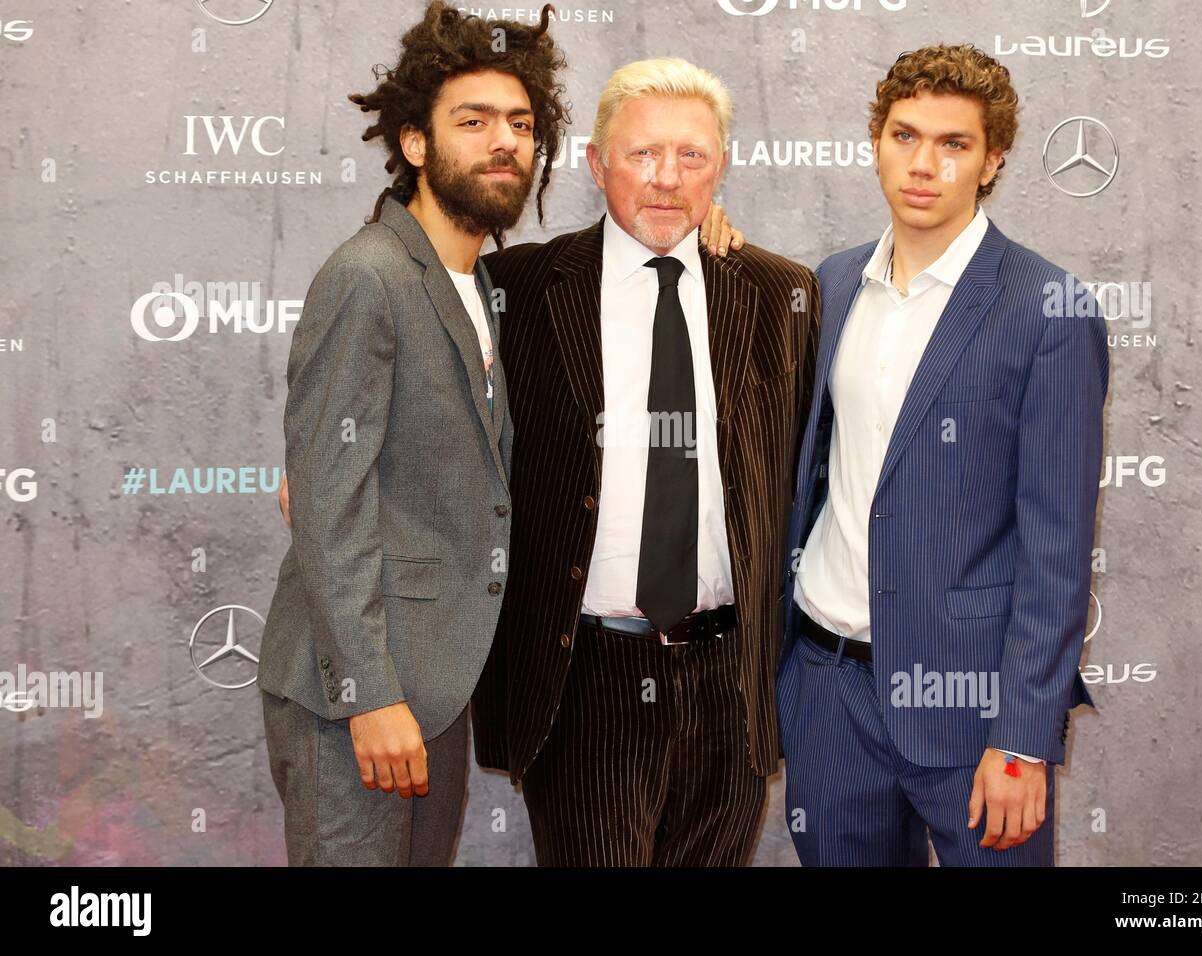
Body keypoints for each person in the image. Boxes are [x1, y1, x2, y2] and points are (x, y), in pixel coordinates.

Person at [470, 57, 820, 866]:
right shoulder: (515, 290)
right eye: (641, 155)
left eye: (691, 156)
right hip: (587, 678)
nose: (667, 179)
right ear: (595, 163)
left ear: (721, 166)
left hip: (731, 683)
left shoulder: (780, 294)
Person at [777, 44, 1106, 866]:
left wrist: (1025, 740)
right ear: (877, 141)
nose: (923, 164)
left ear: (993, 159)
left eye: (954, 144)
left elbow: (1056, 550)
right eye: (904, 135)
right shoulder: (834, 283)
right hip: (827, 692)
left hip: (975, 711)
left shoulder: (1048, 310)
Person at [256, 1, 567, 866]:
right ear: (416, 144)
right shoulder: (369, 277)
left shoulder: (478, 284)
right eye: (473, 122)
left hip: (433, 689)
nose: (504, 141)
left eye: (520, 123)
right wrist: (369, 695)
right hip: (358, 696)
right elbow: (327, 500)